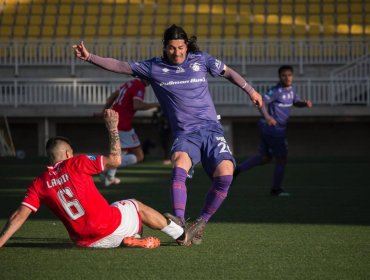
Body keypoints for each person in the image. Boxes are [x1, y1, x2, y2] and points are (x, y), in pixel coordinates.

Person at [73, 24, 263, 245]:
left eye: (181, 47)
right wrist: (89, 57)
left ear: (186, 45)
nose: (177, 52)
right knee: (179, 165)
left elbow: (228, 72)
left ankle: (200, 224)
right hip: (185, 134)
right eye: (172, 48)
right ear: (165, 47)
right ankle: (180, 225)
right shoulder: (154, 67)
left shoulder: (201, 60)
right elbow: (120, 66)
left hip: (211, 129)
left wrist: (251, 90)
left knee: (226, 176)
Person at [0, 109, 187, 248]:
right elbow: (115, 160)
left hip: (86, 243)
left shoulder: (39, 183)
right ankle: (181, 235)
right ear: (67, 153)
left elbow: (18, 216)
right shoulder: (77, 162)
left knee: (115, 206)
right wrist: (113, 127)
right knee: (134, 204)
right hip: (110, 228)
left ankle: (132, 238)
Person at [233, 65, 313, 196]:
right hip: (273, 129)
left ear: (292, 76)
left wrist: (304, 104)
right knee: (281, 159)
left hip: (270, 128)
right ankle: (276, 189)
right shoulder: (276, 91)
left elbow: (296, 101)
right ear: (279, 77)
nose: (287, 78)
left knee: (265, 158)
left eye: (289, 75)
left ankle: (238, 170)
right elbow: (260, 102)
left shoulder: (291, 90)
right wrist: (268, 117)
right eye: (283, 75)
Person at [94, 78, 160, 187]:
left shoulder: (130, 83)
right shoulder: (139, 86)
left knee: (121, 151)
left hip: (116, 120)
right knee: (139, 156)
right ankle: (105, 165)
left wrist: (103, 113)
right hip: (123, 124)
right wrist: (156, 104)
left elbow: (112, 96)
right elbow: (137, 105)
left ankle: (109, 177)